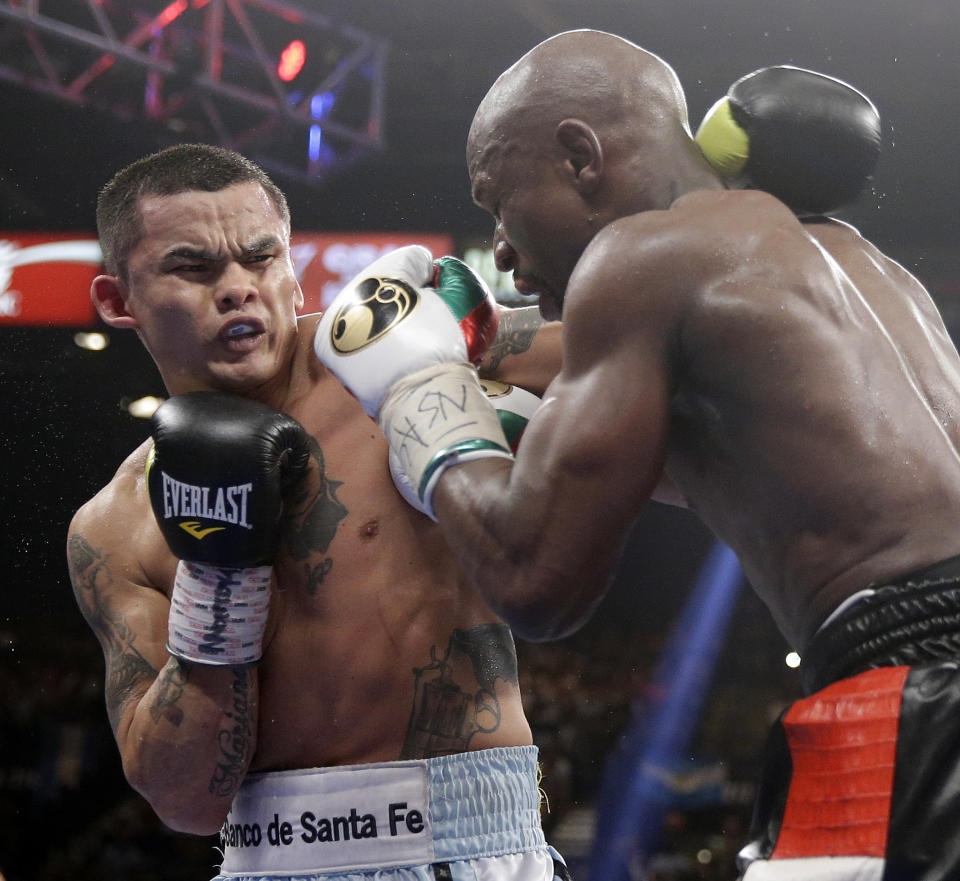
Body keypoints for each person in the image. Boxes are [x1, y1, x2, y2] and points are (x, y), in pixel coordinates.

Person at [316, 29, 960, 881]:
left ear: (582, 157)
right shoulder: (863, 267)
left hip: (915, 699)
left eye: (498, 201)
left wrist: (415, 397)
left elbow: (535, 577)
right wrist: (475, 351)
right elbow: (685, 447)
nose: (500, 250)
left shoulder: (640, 257)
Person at [65, 143, 570, 881]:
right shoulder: (115, 524)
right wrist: (219, 579)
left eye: (261, 257)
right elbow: (183, 800)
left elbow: (637, 348)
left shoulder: (390, 349)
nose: (239, 288)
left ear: (291, 263)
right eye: (194, 267)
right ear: (117, 300)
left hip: (471, 842)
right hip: (268, 862)